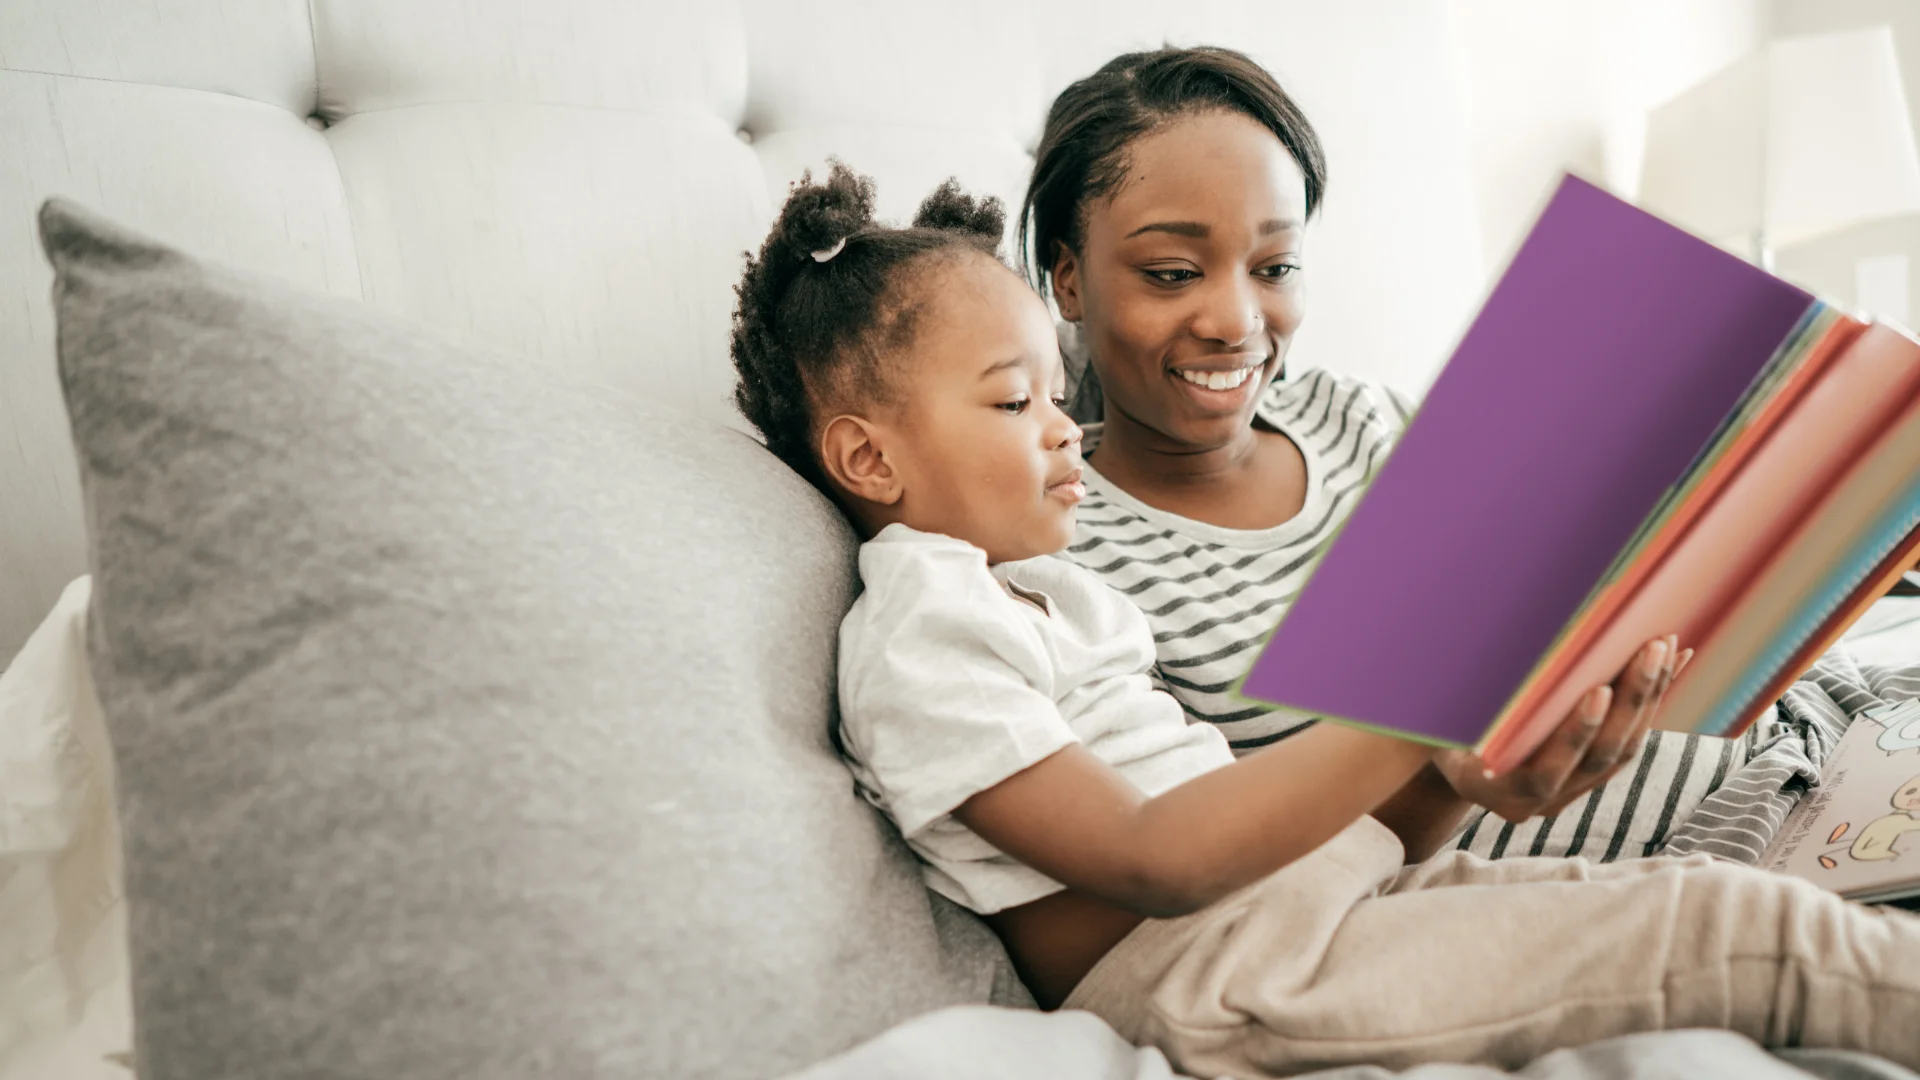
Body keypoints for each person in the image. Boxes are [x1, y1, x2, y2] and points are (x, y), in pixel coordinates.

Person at [727, 162, 1920, 1077]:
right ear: (864, 457)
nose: (1059, 425)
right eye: (1011, 399)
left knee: (1701, 903)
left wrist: (1472, 753)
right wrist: (1423, 705)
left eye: (1054, 388)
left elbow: (1353, 839)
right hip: (1219, 973)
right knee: (1735, 933)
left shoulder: (1044, 592)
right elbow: (1158, 859)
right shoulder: (922, 629)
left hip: (1323, 911)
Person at [1022, 45, 1870, 865]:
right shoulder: (1064, 553)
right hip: (1721, 847)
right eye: (1172, 272)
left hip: (1824, 734)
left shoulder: (1353, 415)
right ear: (1068, 278)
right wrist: (1455, 780)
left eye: (1275, 265)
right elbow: (1246, 873)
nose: (1237, 320)